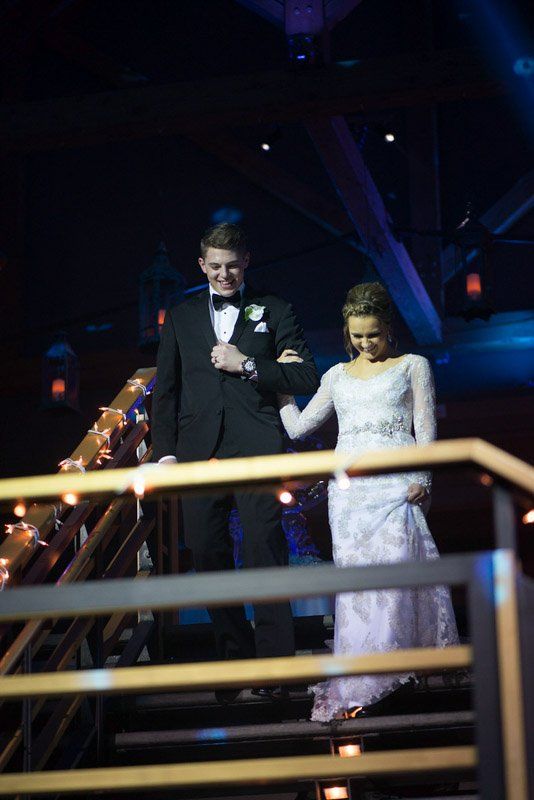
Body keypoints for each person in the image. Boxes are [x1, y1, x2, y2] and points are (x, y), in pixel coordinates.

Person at [277, 282, 459, 721]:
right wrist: (280, 388)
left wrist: (422, 478)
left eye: (373, 334)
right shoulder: (336, 377)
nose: (365, 343)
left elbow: (424, 427)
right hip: (351, 496)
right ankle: (364, 677)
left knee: (395, 576)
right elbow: (299, 428)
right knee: (359, 585)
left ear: (388, 328)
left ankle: (397, 672)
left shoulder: (413, 365)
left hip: (396, 486)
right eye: (357, 335)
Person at [151, 223, 319, 681]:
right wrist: (164, 452)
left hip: (256, 445)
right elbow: (165, 389)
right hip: (196, 451)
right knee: (206, 552)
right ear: (201, 265)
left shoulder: (276, 308)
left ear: (247, 261)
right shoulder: (181, 315)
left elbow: (307, 376)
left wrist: (247, 364)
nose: (224, 275)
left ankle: (276, 663)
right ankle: (234, 656)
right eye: (215, 267)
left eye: (232, 266)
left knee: (266, 546)